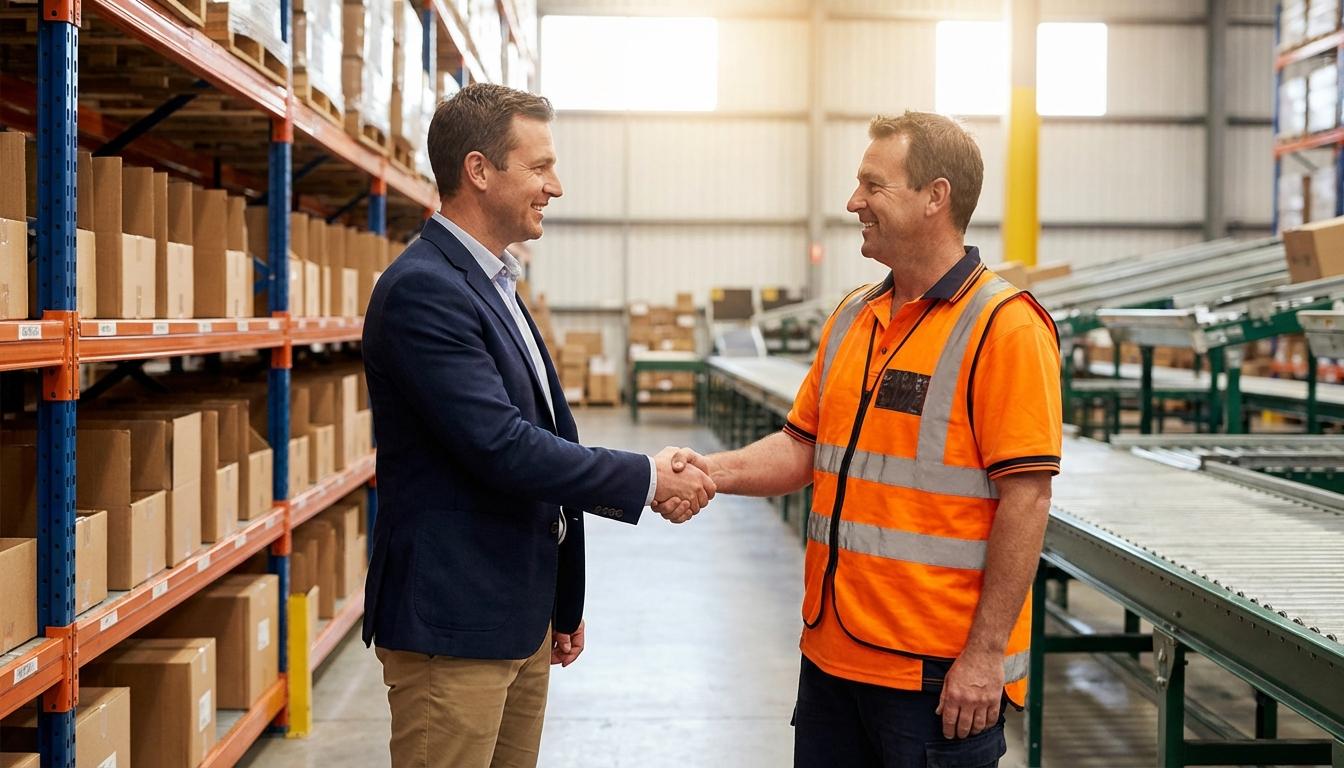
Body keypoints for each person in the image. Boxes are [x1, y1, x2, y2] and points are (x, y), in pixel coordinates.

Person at [658, 111, 1062, 767]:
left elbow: (1027, 499)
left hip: (932, 675)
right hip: (831, 653)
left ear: (936, 196)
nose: (854, 203)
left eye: (873, 185)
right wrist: (709, 469)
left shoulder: (1005, 328)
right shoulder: (854, 316)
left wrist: (985, 656)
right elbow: (801, 448)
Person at [361, 83, 716, 768]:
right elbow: (503, 447)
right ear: (479, 170)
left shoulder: (493, 282)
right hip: (454, 627)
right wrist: (646, 478)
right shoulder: (424, 289)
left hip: (515, 614)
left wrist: (561, 598)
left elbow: (549, 433)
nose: (555, 186)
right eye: (540, 166)